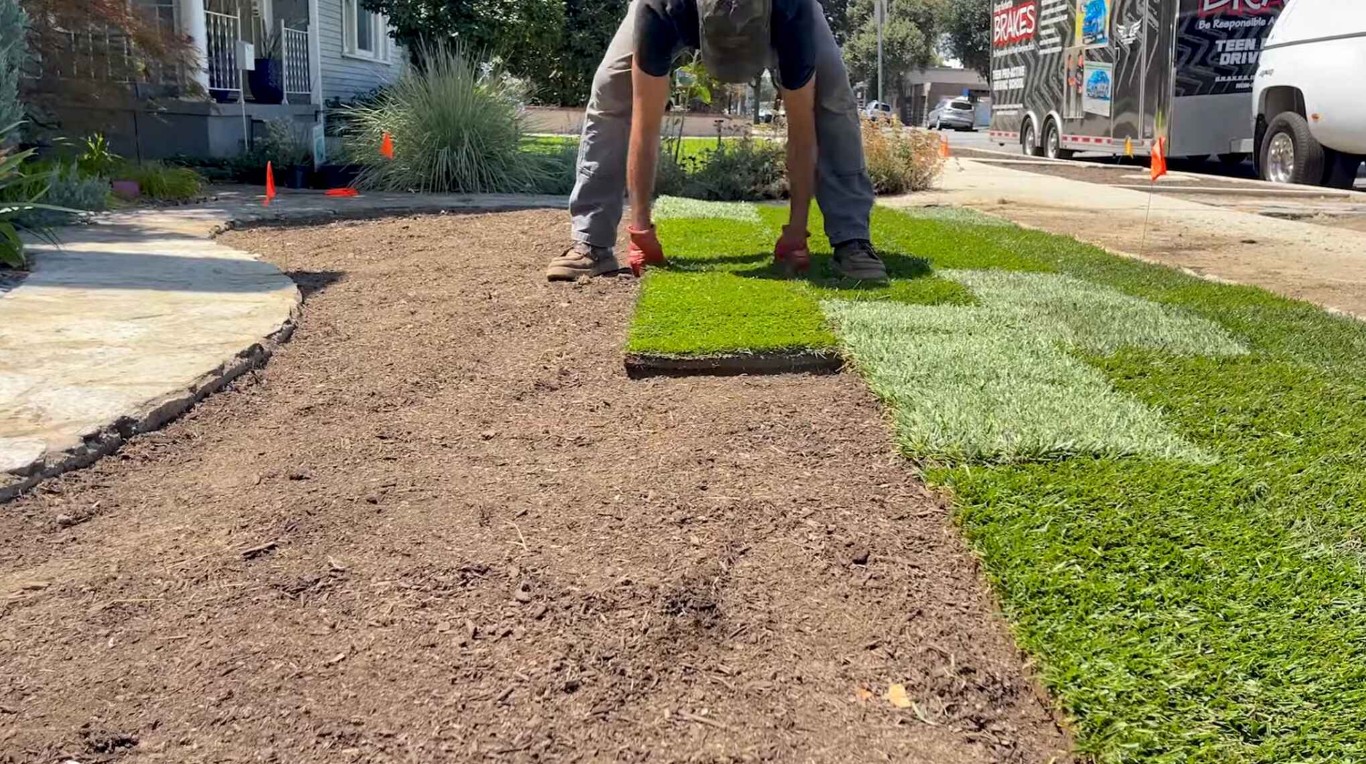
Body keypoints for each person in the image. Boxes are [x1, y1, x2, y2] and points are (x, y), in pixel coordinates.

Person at [545, 0, 888, 282]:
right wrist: (641, 231)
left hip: (776, 10)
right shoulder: (662, 8)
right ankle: (592, 242)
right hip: (681, 10)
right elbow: (645, 123)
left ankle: (852, 240)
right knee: (610, 90)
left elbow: (801, 130)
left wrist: (797, 232)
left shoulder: (791, 10)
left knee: (834, 96)